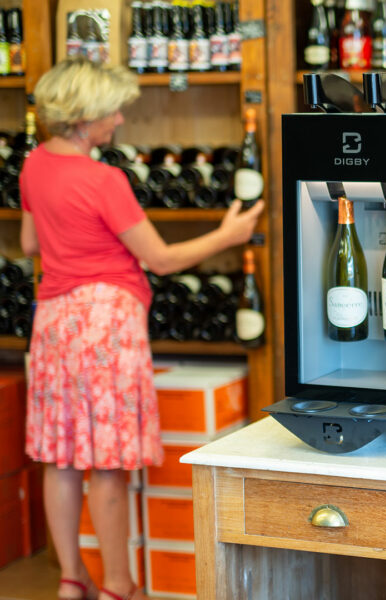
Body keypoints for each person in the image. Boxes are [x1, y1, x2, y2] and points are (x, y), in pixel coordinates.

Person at [20, 58, 264, 600]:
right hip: (106, 322)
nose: (122, 120)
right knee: (107, 464)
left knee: (60, 458)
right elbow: (161, 259)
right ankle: (118, 586)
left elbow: (32, 244)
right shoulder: (104, 179)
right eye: (113, 110)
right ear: (84, 117)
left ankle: (69, 578)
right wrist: (231, 233)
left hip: (54, 322)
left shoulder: (34, 165)